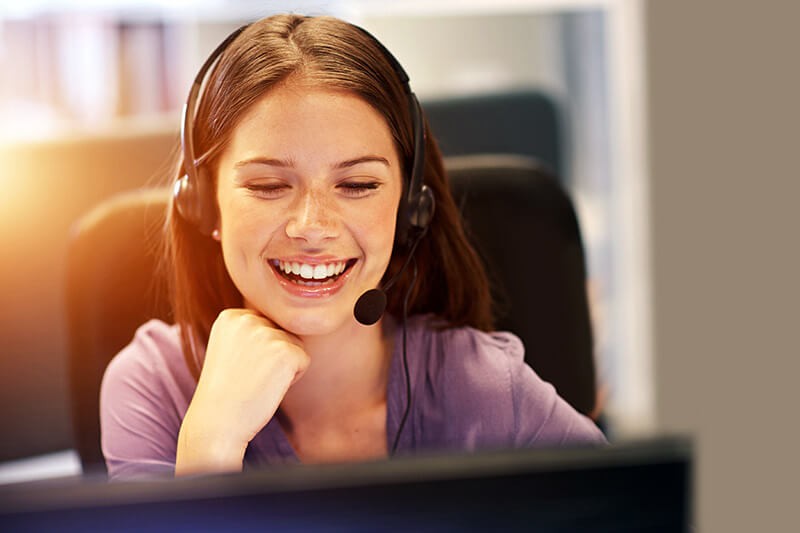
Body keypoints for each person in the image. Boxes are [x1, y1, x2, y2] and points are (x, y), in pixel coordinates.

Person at [100, 13, 605, 481]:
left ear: (411, 210)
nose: (312, 227)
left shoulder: (486, 389)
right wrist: (210, 446)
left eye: (358, 185)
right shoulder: (153, 386)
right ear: (205, 207)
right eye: (269, 186)